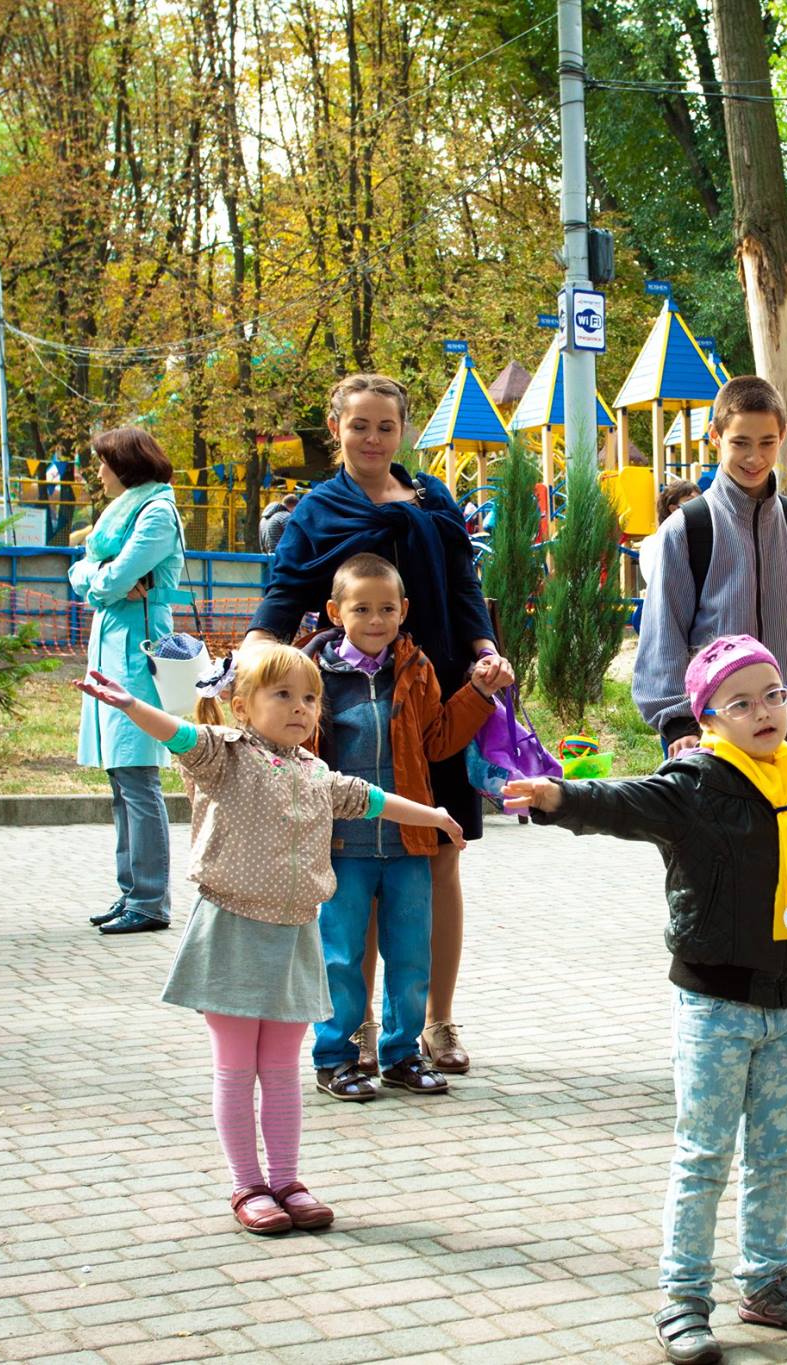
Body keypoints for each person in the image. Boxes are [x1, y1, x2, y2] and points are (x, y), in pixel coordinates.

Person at [504, 635, 787, 1365]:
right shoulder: (693, 786)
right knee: (703, 1155)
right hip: (715, 1005)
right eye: (742, 701)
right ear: (709, 718)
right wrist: (560, 797)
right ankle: (683, 1299)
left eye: (775, 695)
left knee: (776, 1154)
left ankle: (767, 1279)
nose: (765, 711)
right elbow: (621, 802)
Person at [74, 641, 463, 1235]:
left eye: (310, 698)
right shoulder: (224, 757)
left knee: (280, 1070)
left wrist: (434, 817)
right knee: (236, 1069)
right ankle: (247, 1185)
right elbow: (177, 733)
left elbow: (376, 801)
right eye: (282, 695)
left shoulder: (318, 774)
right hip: (230, 928)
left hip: (295, 936)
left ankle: (286, 1180)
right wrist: (131, 706)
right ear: (242, 704)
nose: (300, 708)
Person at [246, 374, 510, 1075]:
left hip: (437, 692)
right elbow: (285, 590)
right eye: (358, 425)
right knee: (354, 861)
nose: (371, 438)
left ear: (402, 431)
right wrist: (254, 652)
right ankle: (358, 1025)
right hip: (351, 705)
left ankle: (437, 1022)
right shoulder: (318, 510)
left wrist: (484, 651)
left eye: (384, 426)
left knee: (438, 856)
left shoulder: (432, 499)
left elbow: (463, 587)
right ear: (336, 428)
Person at [633, 376, 787, 1080]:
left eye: (767, 442)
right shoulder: (687, 531)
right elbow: (663, 635)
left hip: (786, 739)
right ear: (714, 441)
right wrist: (678, 727)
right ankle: (710, 1032)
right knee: (716, 892)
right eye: (740, 442)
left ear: (782, 441)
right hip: (713, 747)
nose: (754, 456)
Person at [303, 554, 507, 1102]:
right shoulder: (312, 676)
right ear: (334, 611)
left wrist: (479, 695)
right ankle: (336, 1058)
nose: (375, 620)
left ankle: (400, 1054)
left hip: (408, 844)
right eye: (362, 609)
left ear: (404, 611)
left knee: (411, 954)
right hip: (342, 847)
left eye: (387, 609)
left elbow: (438, 741)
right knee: (341, 956)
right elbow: (292, 746)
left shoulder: (417, 670)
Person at [75, 427, 187, 937]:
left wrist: (103, 577)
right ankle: (131, 893)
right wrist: (102, 575)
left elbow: (106, 583)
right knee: (121, 780)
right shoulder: (119, 517)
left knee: (138, 779)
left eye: (103, 463)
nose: (98, 473)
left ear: (126, 464)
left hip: (137, 661)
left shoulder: (156, 514)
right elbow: (89, 576)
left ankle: (150, 899)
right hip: (112, 654)